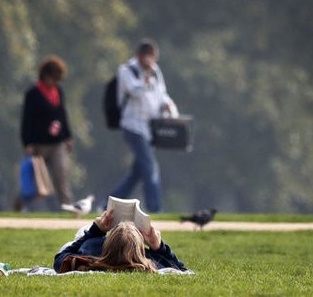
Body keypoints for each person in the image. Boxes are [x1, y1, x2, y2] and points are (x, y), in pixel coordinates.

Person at [105, 39, 177, 213]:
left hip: (150, 128)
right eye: (147, 58)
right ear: (139, 56)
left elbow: (161, 94)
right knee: (150, 167)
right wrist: (146, 78)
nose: (151, 62)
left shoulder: (156, 72)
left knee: (137, 173)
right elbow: (134, 90)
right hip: (133, 126)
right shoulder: (126, 71)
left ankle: (108, 205)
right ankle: (155, 208)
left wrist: (168, 106)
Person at [17, 55, 74, 210]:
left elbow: (63, 115)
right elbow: (26, 120)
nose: (56, 82)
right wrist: (27, 143)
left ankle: (67, 209)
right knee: (34, 181)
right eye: (54, 78)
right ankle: (19, 206)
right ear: (45, 75)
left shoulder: (58, 92)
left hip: (57, 144)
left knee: (61, 176)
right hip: (38, 145)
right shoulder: (33, 94)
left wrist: (68, 136)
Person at [53, 209, 187, 273]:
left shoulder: (93, 247)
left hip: (91, 247)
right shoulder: (151, 262)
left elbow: (61, 258)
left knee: (81, 234)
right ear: (139, 249)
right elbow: (181, 270)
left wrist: (95, 231)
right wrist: (158, 247)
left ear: (107, 243)